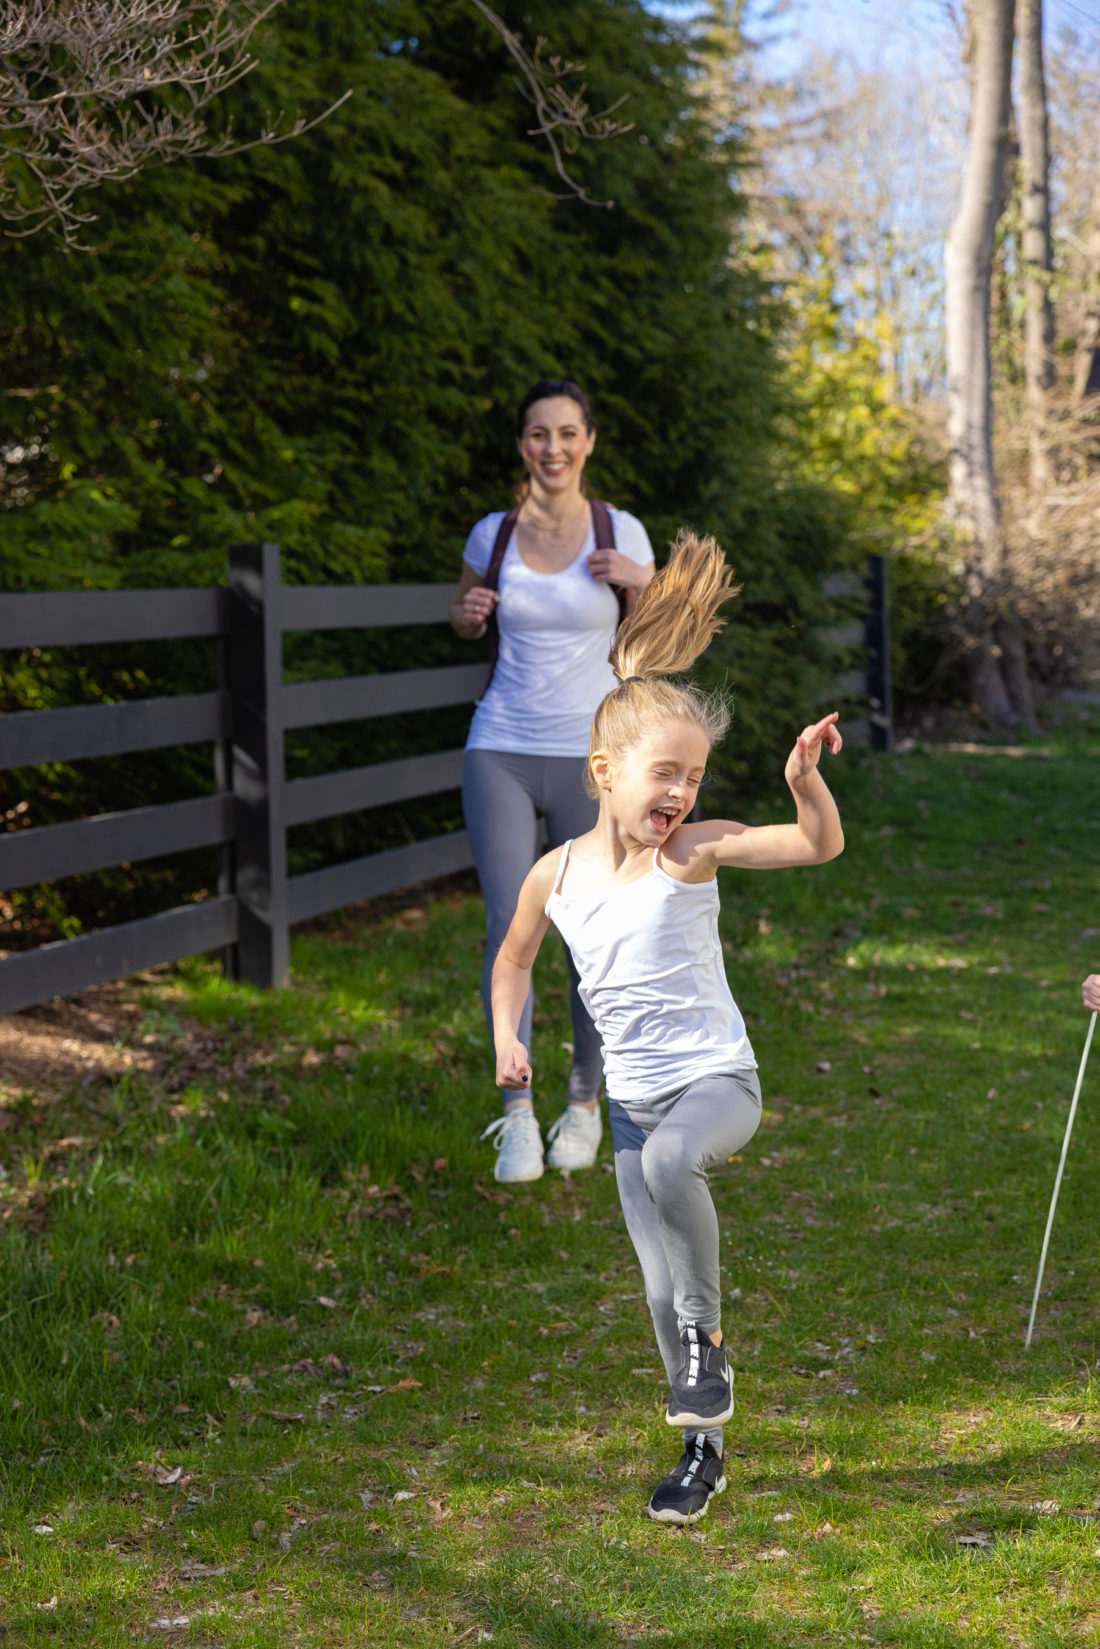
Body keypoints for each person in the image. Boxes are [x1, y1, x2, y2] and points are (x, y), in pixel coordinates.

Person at [489, 532, 845, 1526]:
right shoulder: (553, 875)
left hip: (714, 1086)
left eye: (693, 773)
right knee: (661, 1288)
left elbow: (816, 844)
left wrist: (801, 779)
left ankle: (703, 1354)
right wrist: (505, 1041)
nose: (681, 791)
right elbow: (512, 956)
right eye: (664, 772)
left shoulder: (690, 852)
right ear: (602, 771)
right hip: (635, 1112)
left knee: (668, 1164)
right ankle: (702, 1448)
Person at [450, 379, 655, 1184]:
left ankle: (581, 1104)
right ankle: (517, 1118)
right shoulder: (492, 532)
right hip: (498, 746)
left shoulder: (619, 530)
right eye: (539, 434)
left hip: (593, 761)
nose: (553, 447)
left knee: (588, 937)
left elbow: (659, 635)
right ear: (522, 444)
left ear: (589, 442)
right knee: (512, 931)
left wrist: (639, 578)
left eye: (568, 433)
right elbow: (466, 617)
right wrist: (468, 612)